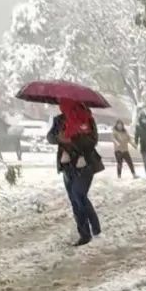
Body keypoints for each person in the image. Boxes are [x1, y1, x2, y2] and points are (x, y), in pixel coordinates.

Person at [47, 99, 104, 246]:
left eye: (65, 104)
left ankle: (94, 228)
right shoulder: (59, 120)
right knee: (75, 199)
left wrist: (72, 138)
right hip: (67, 165)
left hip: (85, 163)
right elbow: (50, 137)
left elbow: (92, 141)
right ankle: (85, 234)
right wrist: (58, 137)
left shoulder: (86, 119)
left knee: (78, 194)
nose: (62, 107)